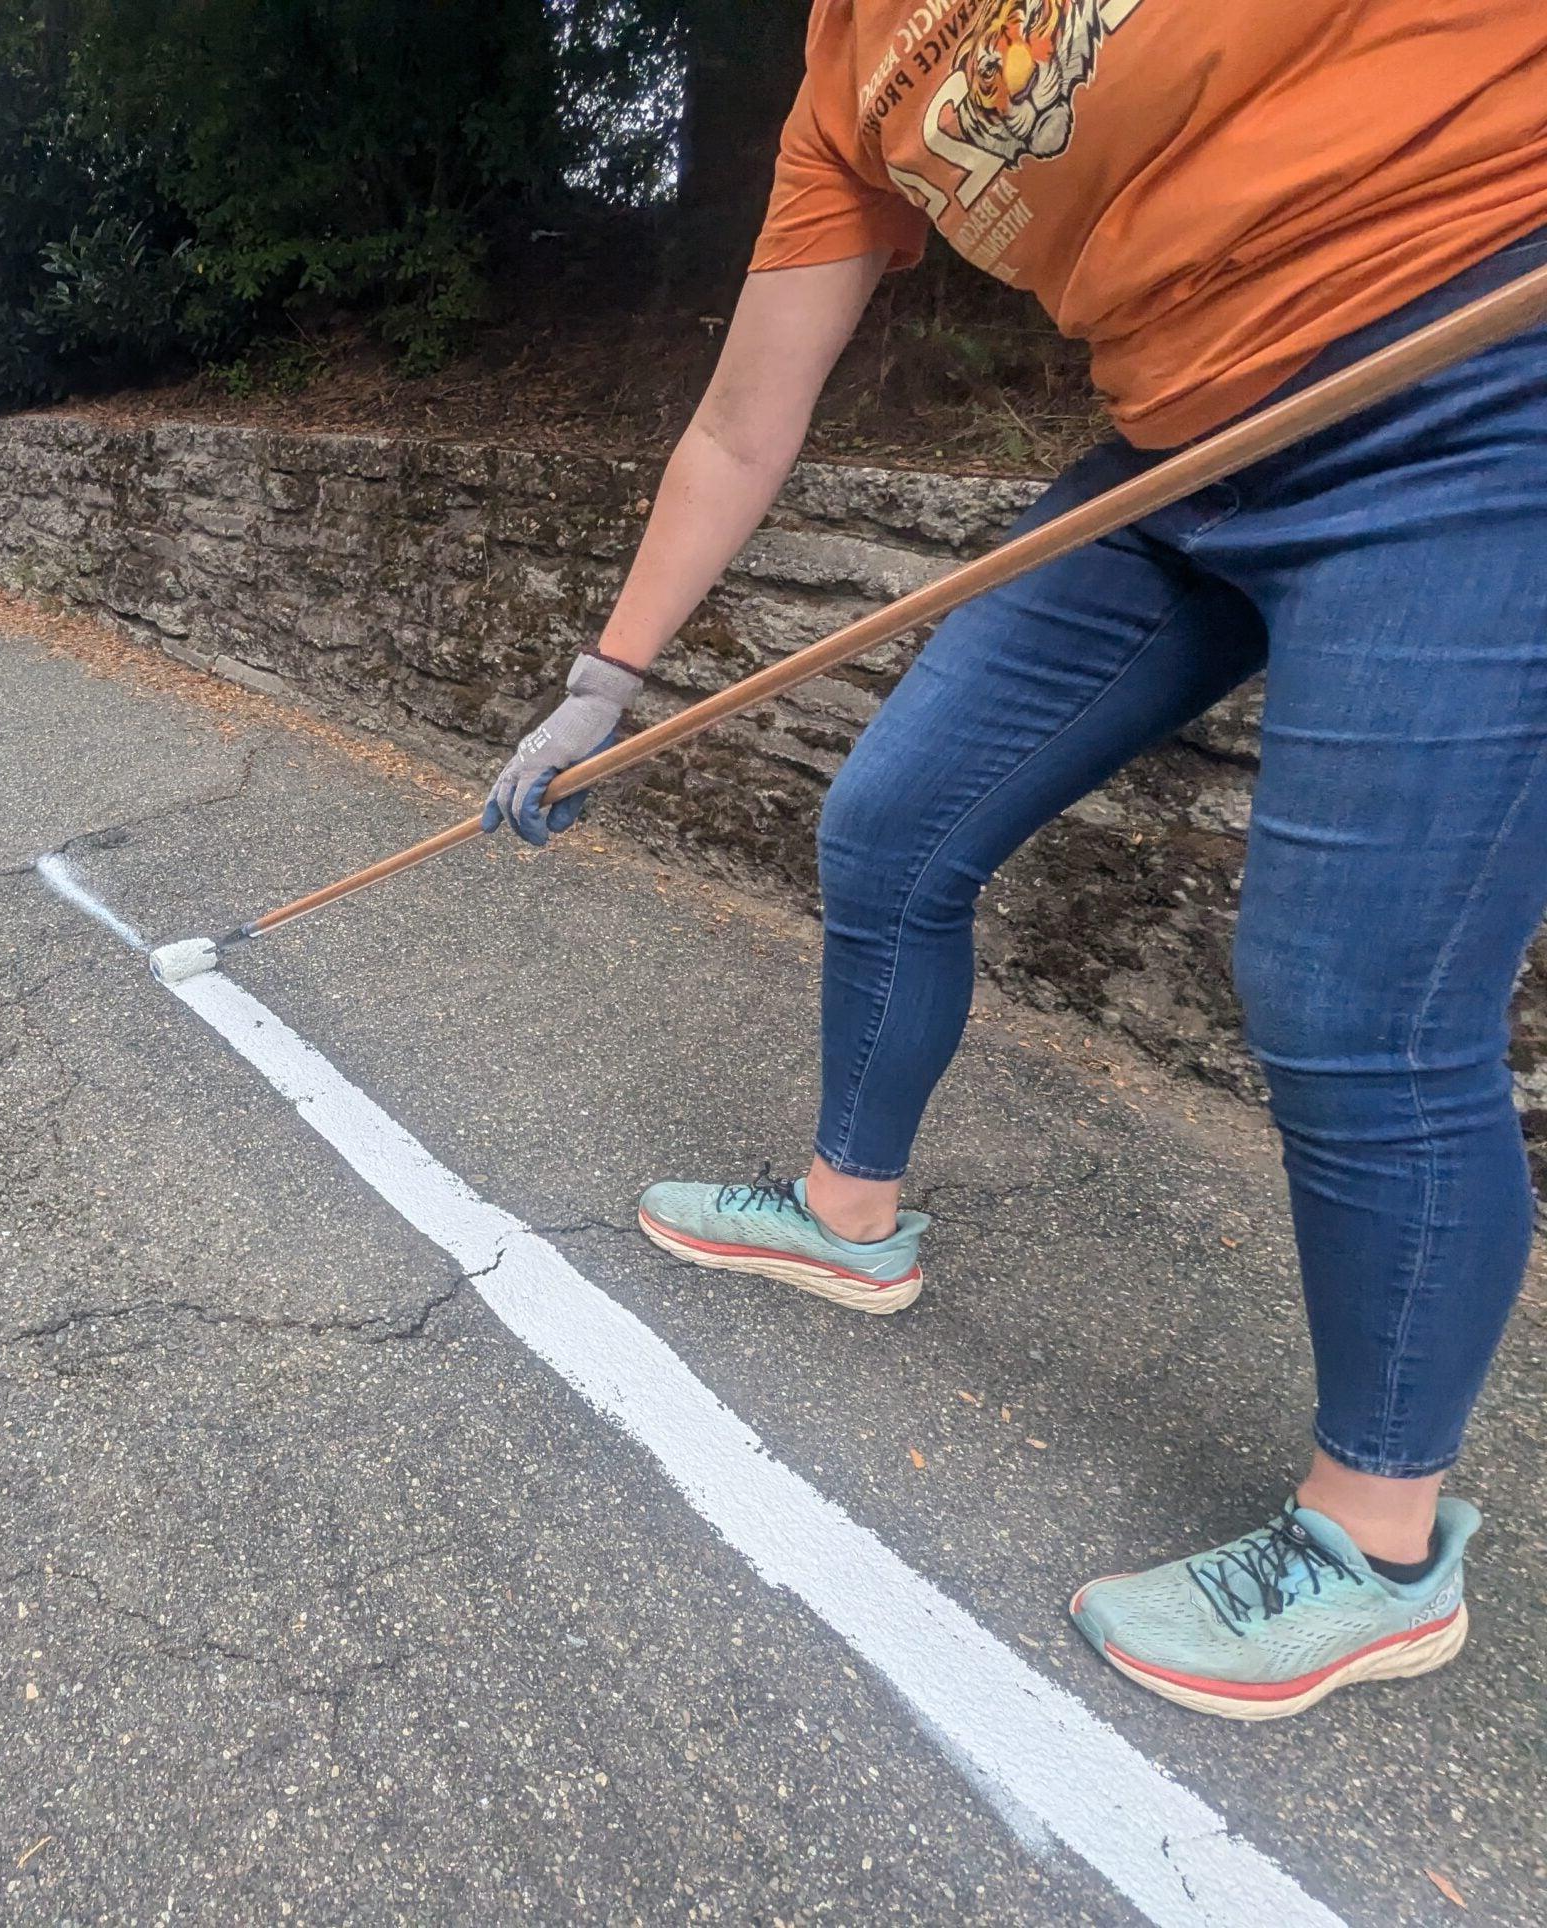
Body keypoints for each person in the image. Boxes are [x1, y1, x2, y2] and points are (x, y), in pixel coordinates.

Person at [484, 0, 1547, 1719]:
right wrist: (602, 684)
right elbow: (745, 423)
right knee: (893, 820)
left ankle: (1378, 1546)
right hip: (1180, 451)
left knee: (1356, 993)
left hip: (1481, 374)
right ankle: (847, 1213)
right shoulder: (847, 75)